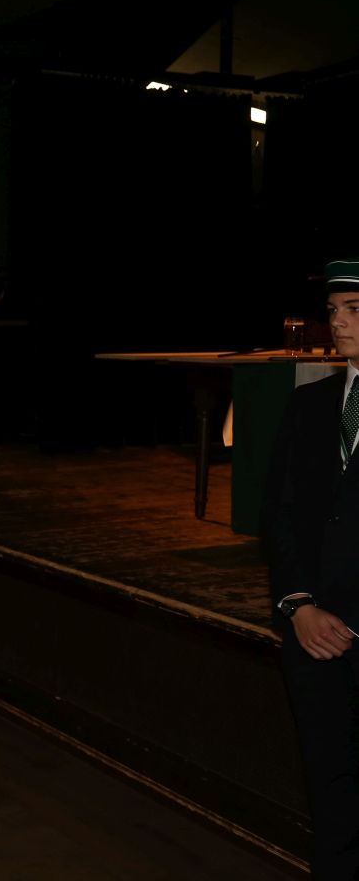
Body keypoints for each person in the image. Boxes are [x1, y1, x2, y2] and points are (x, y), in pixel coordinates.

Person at [266, 258, 359, 880]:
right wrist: (298, 604)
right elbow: (281, 514)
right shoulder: (309, 404)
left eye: (354, 310)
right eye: (333, 310)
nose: (338, 323)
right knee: (331, 793)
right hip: (314, 638)